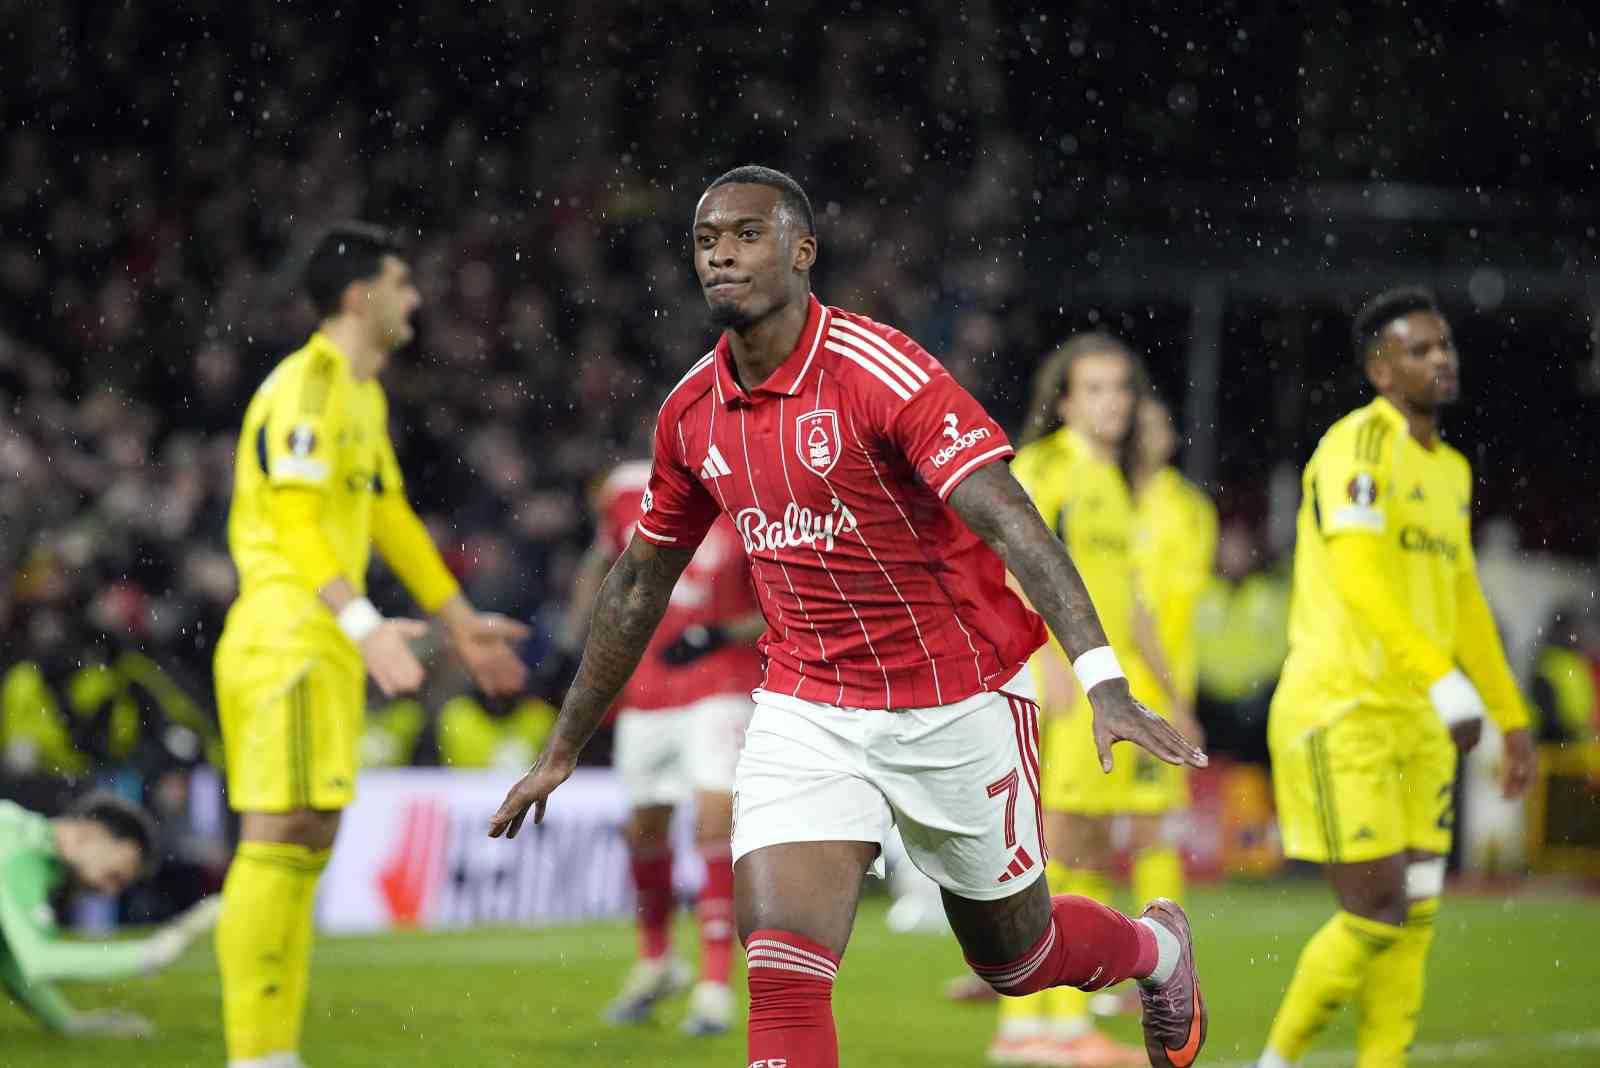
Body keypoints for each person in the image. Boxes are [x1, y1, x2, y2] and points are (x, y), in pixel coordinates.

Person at [490, 165, 1209, 1068]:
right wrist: (563, 747)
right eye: (707, 239)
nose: (721, 253)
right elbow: (639, 582)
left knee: (1016, 959)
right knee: (782, 961)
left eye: (747, 235)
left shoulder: (880, 371)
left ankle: (1156, 952)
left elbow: (1012, 517)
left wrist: (1102, 679)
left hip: (958, 697)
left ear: (802, 251)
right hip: (809, 707)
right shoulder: (690, 414)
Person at [213, 223, 529, 1068]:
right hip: (285, 635)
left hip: (319, 640)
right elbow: (293, 516)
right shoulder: (308, 384)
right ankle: (256, 1053)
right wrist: (363, 624)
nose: (415, 298)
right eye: (402, 282)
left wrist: (461, 623)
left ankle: (274, 1047)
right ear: (360, 297)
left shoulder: (363, 393)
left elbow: (387, 517)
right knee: (278, 832)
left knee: (308, 834)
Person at [1255, 287, 1537, 1068]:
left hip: (1419, 720)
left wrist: (1511, 716)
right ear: (1381, 370)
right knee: (1377, 910)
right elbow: (1360, 579)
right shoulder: (1358, 447)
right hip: (1343, 708)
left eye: (1445, 345)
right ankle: (1273, 1062)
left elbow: (1464, 601)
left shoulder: (1448, 470)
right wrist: (1442, 678)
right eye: (1420, 349)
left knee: (1416, 914)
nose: (1441, 358)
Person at [984, 336, 1200, 1067]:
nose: (1112, 402)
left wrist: (1164, 694)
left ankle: (1046, 1023)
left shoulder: (1112, 480)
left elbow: (1129, 603)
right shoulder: (1047, 468)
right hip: (1062, 685)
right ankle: (1045, 1026)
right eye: (1096, 389)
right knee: (1060, 847)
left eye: (1121, 389)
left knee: (1086, 852)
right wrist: (1040, 658)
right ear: (1066, 399)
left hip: (1104, 689)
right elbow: (1015, 560)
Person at [572, 460, 765, 1034]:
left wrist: (718, 634)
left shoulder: (754, 493)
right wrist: (579, 635)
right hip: (647, 687)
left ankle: (713, 986)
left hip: (722, 681)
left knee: (713, 822)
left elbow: (783, 603)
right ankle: (656, 962)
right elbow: (605, 567)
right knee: (645, 829)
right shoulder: (627, 492)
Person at [0, 792, 219, 1037]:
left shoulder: (23, 838)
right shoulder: (21, 852)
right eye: (113, 876)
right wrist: (149, 954)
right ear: (92, 835)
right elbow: (38, 960)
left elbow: (9, 956)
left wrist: (68, 1022)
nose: (108, 891)